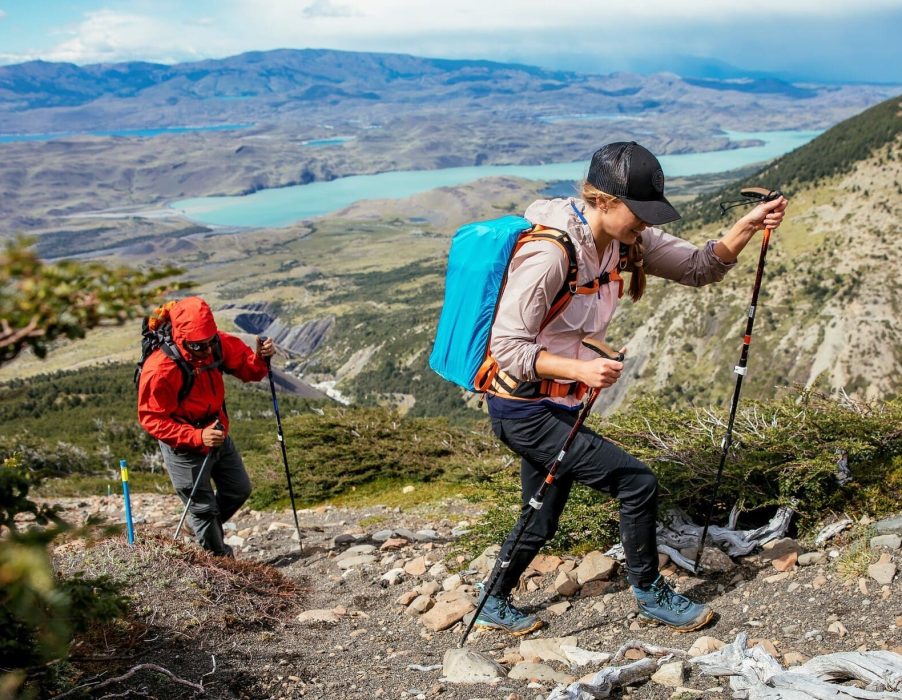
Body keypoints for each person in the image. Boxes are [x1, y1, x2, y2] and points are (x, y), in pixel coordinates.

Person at [475, 141, 787, 634]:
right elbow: (507, 349)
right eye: (637, 212)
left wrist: (747, 225)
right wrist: (580, 371)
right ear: (601, 201)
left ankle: (492, 599)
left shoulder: (625, 240)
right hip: (524, 409)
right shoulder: (547, 255)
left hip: (559, 405)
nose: (644, 222)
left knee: (542, 515)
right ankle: (649, 592)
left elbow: (699, 267)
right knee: (636, 482)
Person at [137, 296, 275, 556]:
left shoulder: (216, 342)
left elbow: (250, 371)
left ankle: (200, 527)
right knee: (203, 508)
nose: (207, 350)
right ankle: (220, 561)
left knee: (238, 489)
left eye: (210, 342)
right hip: (183, 443)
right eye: (199, 346)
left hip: (217, 431)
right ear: (181, 337)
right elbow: (151, 419)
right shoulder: (160, 369)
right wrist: (197, 436)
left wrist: (259, 358)